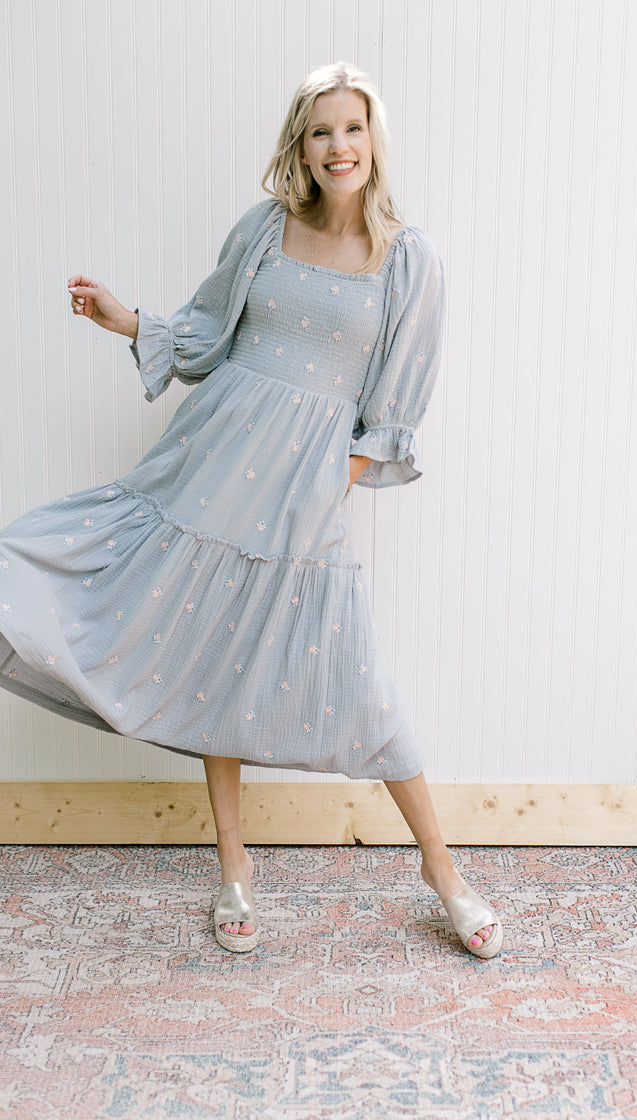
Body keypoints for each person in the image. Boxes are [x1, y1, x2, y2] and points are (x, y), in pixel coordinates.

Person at [0, 62, 502, 959]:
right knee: (205, 661)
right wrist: (126, 320)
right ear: (300, 146)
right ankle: (234, 870)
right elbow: (205, 333)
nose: (337, 146)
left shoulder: (408, 260)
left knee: (366, 694)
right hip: (205, 467)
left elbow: (392, 412)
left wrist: (324, 490)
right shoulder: (266, 228)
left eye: (351, 128)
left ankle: (444, 871)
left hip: (302, 499)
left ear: (373, 139)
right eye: (320, 131)